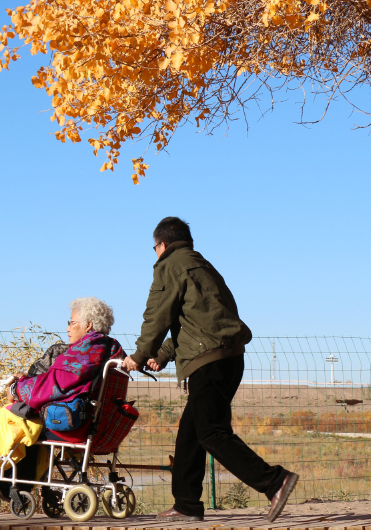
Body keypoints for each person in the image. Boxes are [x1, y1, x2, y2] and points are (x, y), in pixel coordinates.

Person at [122, 217, 299, 523]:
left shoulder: (169, 265)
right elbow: (200, 321)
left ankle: (274, 481)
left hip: (208, 362)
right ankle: (187, 504)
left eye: (154, 248)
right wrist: (164, 354)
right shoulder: (203, 266)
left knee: (212, 433)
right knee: (191, 435)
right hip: (229, 357)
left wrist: (140, 354)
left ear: (161, 245)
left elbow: (158, 315)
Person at [0, 297, 123, 497]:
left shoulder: (85, 353)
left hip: (74, 424)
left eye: (72, 322)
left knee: (8, 416)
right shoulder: (109, 348)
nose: (68, 328)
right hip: (88, 420)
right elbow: (58, 382)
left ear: (88, 325)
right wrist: (28, 381)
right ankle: (14, 484)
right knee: (30, 421)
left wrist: (16, 388)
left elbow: (52, 385)